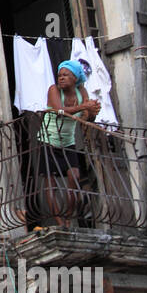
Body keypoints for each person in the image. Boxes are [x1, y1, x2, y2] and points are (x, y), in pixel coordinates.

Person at [35, 59, 101, 226]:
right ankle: (59, 221)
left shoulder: (81, 92)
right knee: (51, 183)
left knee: (74, 176)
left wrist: (93, 110)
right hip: (48, 141)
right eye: (59, 75)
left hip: (68, 142)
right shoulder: (54, 90)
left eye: (66, 75)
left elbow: (87, 117)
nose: (61, 78)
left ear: (75, 78)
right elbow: (59, 111)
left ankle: (68, 217)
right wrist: (84, 107)